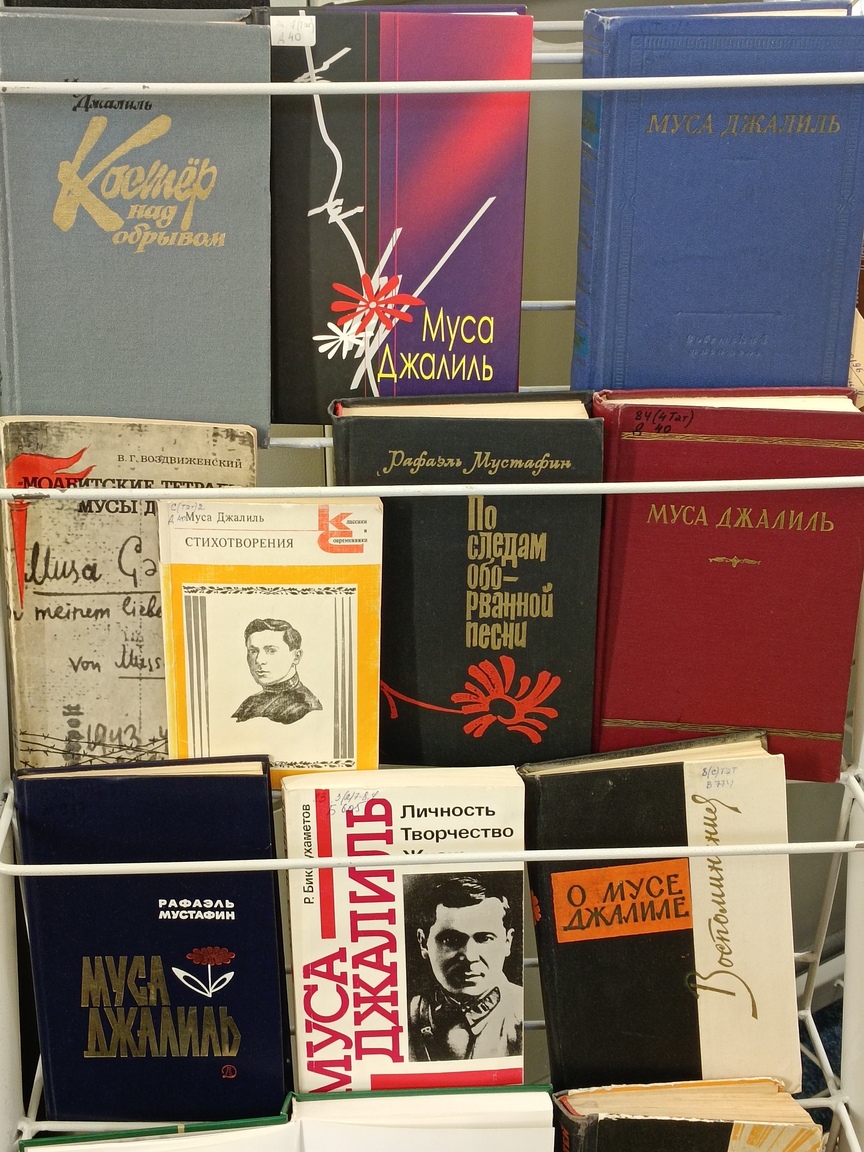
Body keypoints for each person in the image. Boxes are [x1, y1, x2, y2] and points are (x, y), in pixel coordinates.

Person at [408, 874, 522, 1061]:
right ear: (423, 943)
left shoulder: (522, 1015)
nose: (469, 956)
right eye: (451, 940)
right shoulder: (406, 1016)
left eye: (484, 938)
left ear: (507, 942)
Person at [232, 618, 322, 725]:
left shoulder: (304, 707)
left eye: (271, 651)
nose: (259, 660)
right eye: (253, 651)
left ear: (296, 656)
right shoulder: (249, 703)